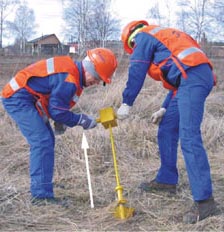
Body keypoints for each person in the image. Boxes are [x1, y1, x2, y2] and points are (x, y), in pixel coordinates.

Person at [117, 20, 217, 224]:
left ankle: (205, 202)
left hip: (193, 77)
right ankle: (167, 180)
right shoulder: (165, 34)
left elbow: (136, 70)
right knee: (167, 128)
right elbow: (180, 73)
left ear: (131, 39)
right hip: (191, 76)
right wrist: (164, 107)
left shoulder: (143, 37)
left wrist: (127, 102)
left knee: (189, 137)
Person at [1, 47, 117, 205]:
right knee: (42, 142)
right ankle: (41, 196)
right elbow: (56, 111)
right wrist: (80, 120)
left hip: (31, 98)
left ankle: (43, 185)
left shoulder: (72, 74)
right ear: (89, 68)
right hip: (18, 98)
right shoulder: (70, 78)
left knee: (47, 140)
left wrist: (61, 120)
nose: (96, 83)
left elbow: (55, 101)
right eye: (96, 77)